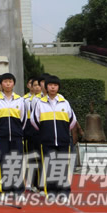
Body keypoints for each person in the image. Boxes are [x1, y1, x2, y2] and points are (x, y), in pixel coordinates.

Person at [31, 75, 77, 203]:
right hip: (47, 140)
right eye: (50, 85)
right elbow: (34, 121)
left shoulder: (64, 102)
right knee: (49, 166)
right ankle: (50, 192)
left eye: (55, 85)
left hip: (63, 140)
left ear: (58, 87)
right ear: (46, 87)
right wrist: (45, 131)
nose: (52, 87)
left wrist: (63, 131)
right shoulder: (40, 103)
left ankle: (64, 191)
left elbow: (72, 120)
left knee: (63, 166)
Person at [0, 73, 26, 198]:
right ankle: (4, 189)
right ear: (1, 84)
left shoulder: (20, 100)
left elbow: (23, 119)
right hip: (1, 136)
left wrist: (18, 131)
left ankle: (18, 190)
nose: (8, 84)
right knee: (2, 163)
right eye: (5, 82)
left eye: (10, 81)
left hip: (16, 136)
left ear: (14, 83)